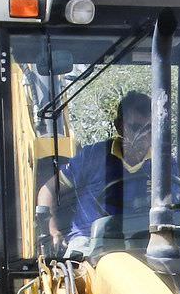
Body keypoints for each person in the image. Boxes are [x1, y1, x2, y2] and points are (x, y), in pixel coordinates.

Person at [42, 89, 159, 252]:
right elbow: (47, 190)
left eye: (149, 129)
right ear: (119, 127)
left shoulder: (164, 165)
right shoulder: (92, 156)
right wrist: (53, 230)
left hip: (144, 243)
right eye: (135, 128)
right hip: (89, 242)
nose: (143, 136)